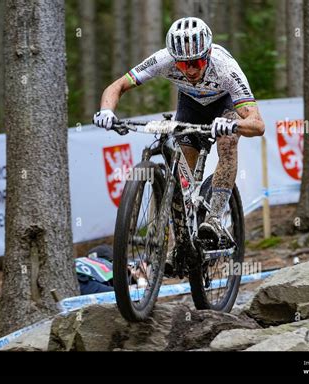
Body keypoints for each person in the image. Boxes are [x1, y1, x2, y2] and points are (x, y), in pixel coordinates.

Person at [93, 17, 265, 269]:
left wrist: (234, 125)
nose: (191, 70)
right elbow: (117, 86)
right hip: (190, 106)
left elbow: (257, 124)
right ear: (174, 59)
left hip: (224, 104)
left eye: (196, 62)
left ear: (207, 55)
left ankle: (215, 218)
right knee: (183, 175)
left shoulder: (225, 66)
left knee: (227, 143)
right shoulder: (164, 59)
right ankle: (182, 242)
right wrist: (107, 111)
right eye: (184, 64)